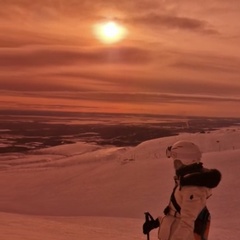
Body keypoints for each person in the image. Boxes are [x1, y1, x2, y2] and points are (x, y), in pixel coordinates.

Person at [143, 140, 221, 240]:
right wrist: (156, 222)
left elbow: (187, 224)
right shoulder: (186, 183)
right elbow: (176, 215)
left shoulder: (192, 190)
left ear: (185, 161)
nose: (174, 165)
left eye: (176, 161)